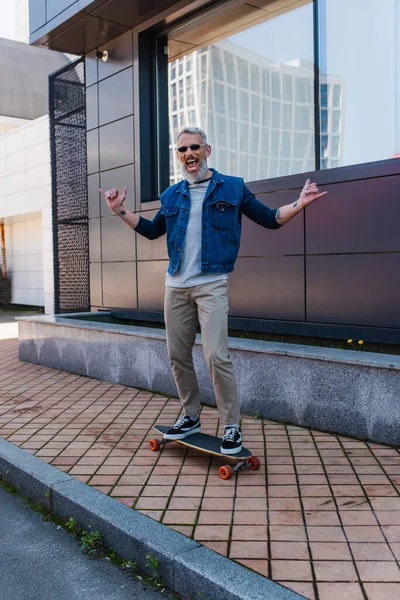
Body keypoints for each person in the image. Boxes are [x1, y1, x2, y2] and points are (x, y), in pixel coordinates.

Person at [100, 126, 327, 455]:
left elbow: (270, 218)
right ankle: (190, 416)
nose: (188, 154)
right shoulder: (171, 195)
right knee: (177, 356)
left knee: (216, 355)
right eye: (182, 150)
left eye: (194, 147)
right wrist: (119, 210)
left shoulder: (232, 187)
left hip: (211, 283)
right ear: (179, 156)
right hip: (175, 284)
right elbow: (151, 231)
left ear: (207, 151)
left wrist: (299, 203)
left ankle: (231, 425)